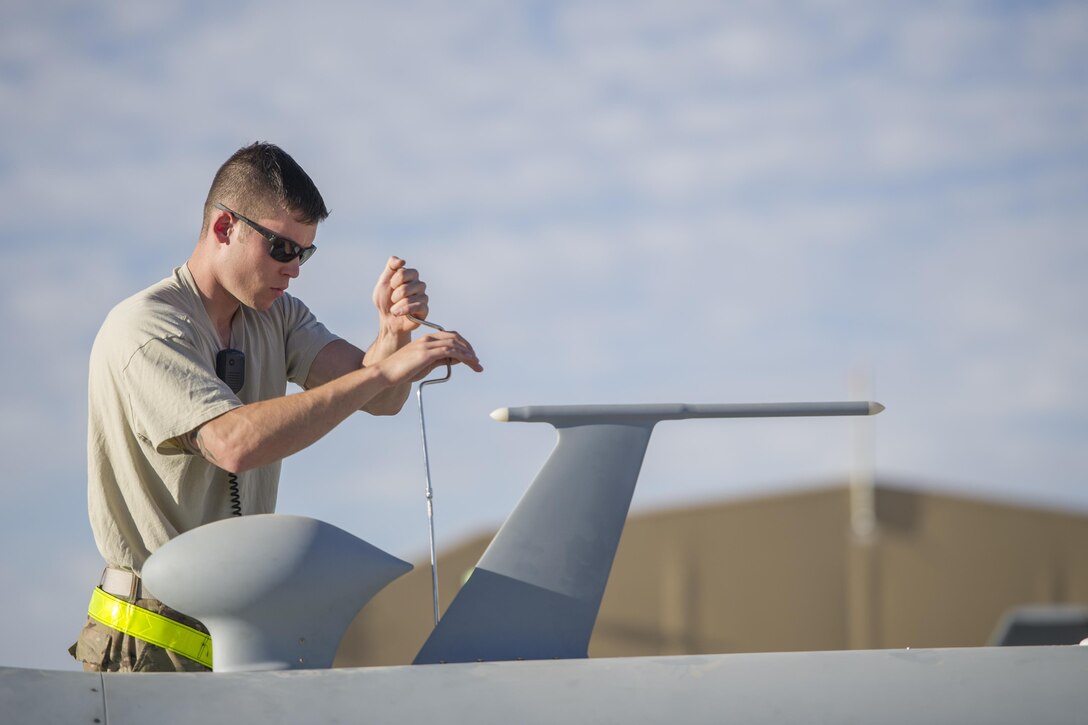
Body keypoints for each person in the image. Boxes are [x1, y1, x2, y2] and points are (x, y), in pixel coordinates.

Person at [69, 142, 482, 672]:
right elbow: (233, 444)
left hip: (243, 632)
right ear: (224, 228)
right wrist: (383, 368)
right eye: (283, 248)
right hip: (149, 640)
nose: (294, 269)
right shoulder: (146, 328)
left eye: (305, 253)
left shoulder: (278, 316)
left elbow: (381, 398)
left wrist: (391, 334)